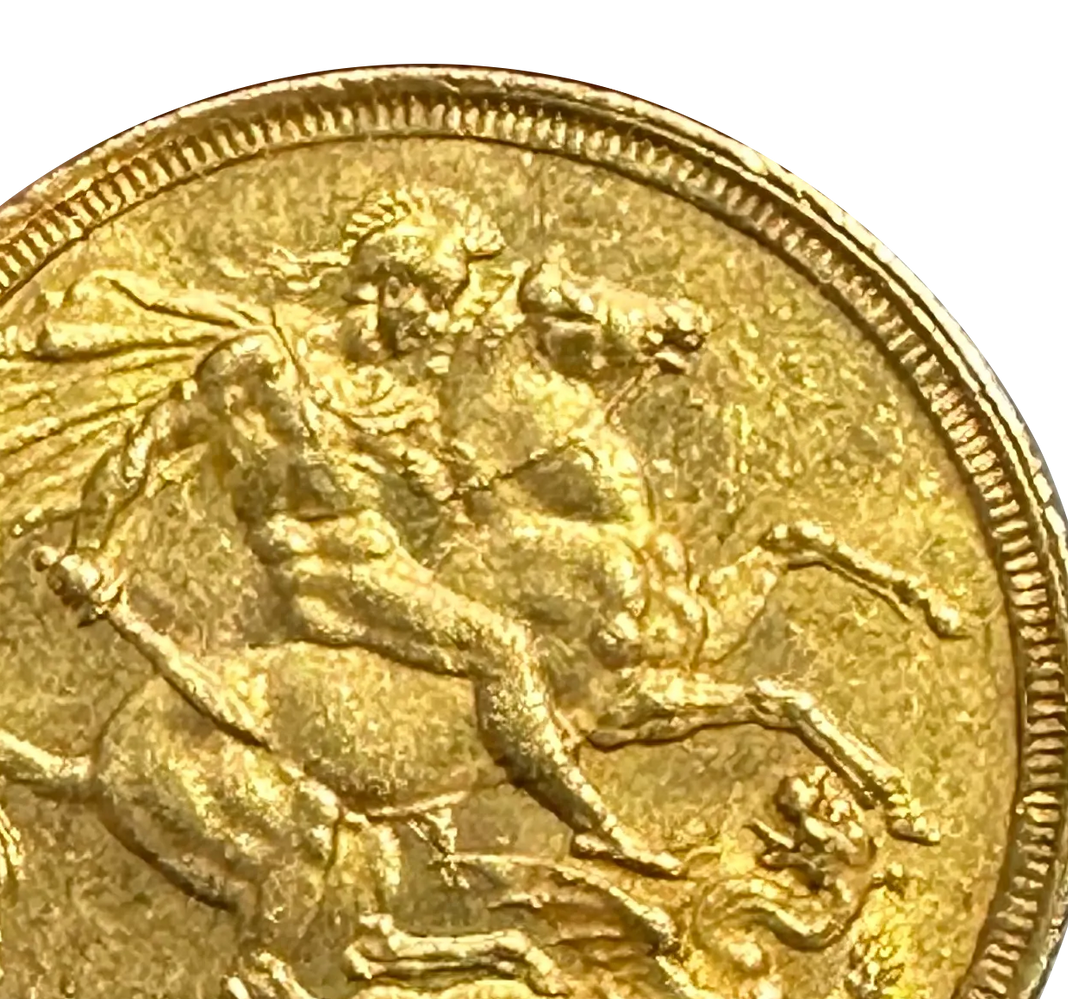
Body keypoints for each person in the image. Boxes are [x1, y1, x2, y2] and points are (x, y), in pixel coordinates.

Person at [59, 186, 683, 877]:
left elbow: (447, 501)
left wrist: (445, 481)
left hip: (391, 567)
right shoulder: (261, 366)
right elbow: (143, 447)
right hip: (330, 582)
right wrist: (90, 548)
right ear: (392, 287)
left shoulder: (390, 397)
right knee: (501, 646)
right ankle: (594, 826)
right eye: (434, 301)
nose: (438, 323)